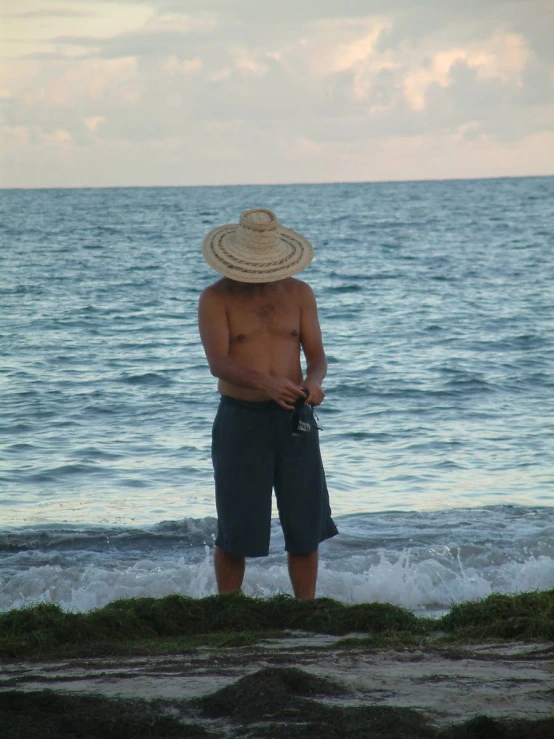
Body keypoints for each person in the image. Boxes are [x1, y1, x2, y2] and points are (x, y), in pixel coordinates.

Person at [198, 208, 338, 599]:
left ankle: (305, 611)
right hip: (241, 421)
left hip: (295, 418)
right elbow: (218, 363)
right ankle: (230, 610)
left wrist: (313, 382)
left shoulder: (299, 293)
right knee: (236, 528)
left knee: (305, 525)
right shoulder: (215, 298)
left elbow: (318, 355)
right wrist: (267, 383)